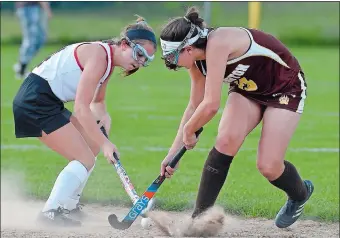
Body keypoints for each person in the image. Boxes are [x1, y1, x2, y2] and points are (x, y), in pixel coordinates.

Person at [159, 6, 313, 229]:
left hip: (285, 88)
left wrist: (189, 130)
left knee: (268, 166)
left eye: (173, 56)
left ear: (189, 48)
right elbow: (195, 104)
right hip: (247, 90)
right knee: (225, 141)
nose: (171, 63)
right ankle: (199, 220)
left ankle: (300, 194)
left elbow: (211, 105)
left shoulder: (218, 43)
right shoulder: (196, 62)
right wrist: (174, 152)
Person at [12, 16, 157, 227]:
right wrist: (106, 143)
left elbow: (97, 102)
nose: (140, 62)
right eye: (140, 54)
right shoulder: (99, 57)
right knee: (85, 159)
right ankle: (50, 213)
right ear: (125, 44)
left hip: (47, 101)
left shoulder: (107, 59)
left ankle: (69, 207)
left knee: (91, 146)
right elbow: (81, 108)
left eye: (147, 60)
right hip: (35, 101)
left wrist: (103, 120)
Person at [14, 1, 53, 79]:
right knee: (31, 39)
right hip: (29, 8)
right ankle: (22, 69)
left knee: (40, 39)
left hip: (35, 8)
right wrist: (47, 9)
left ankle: (22, 64)